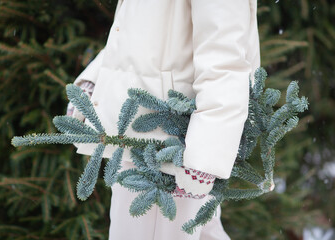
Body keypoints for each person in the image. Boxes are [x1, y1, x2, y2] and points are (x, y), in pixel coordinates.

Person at [67, 0, 260, 239]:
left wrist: (203, 159)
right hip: (137, 137)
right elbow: (133, 33)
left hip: (172, 148)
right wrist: (95, 79)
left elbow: (225, 61)